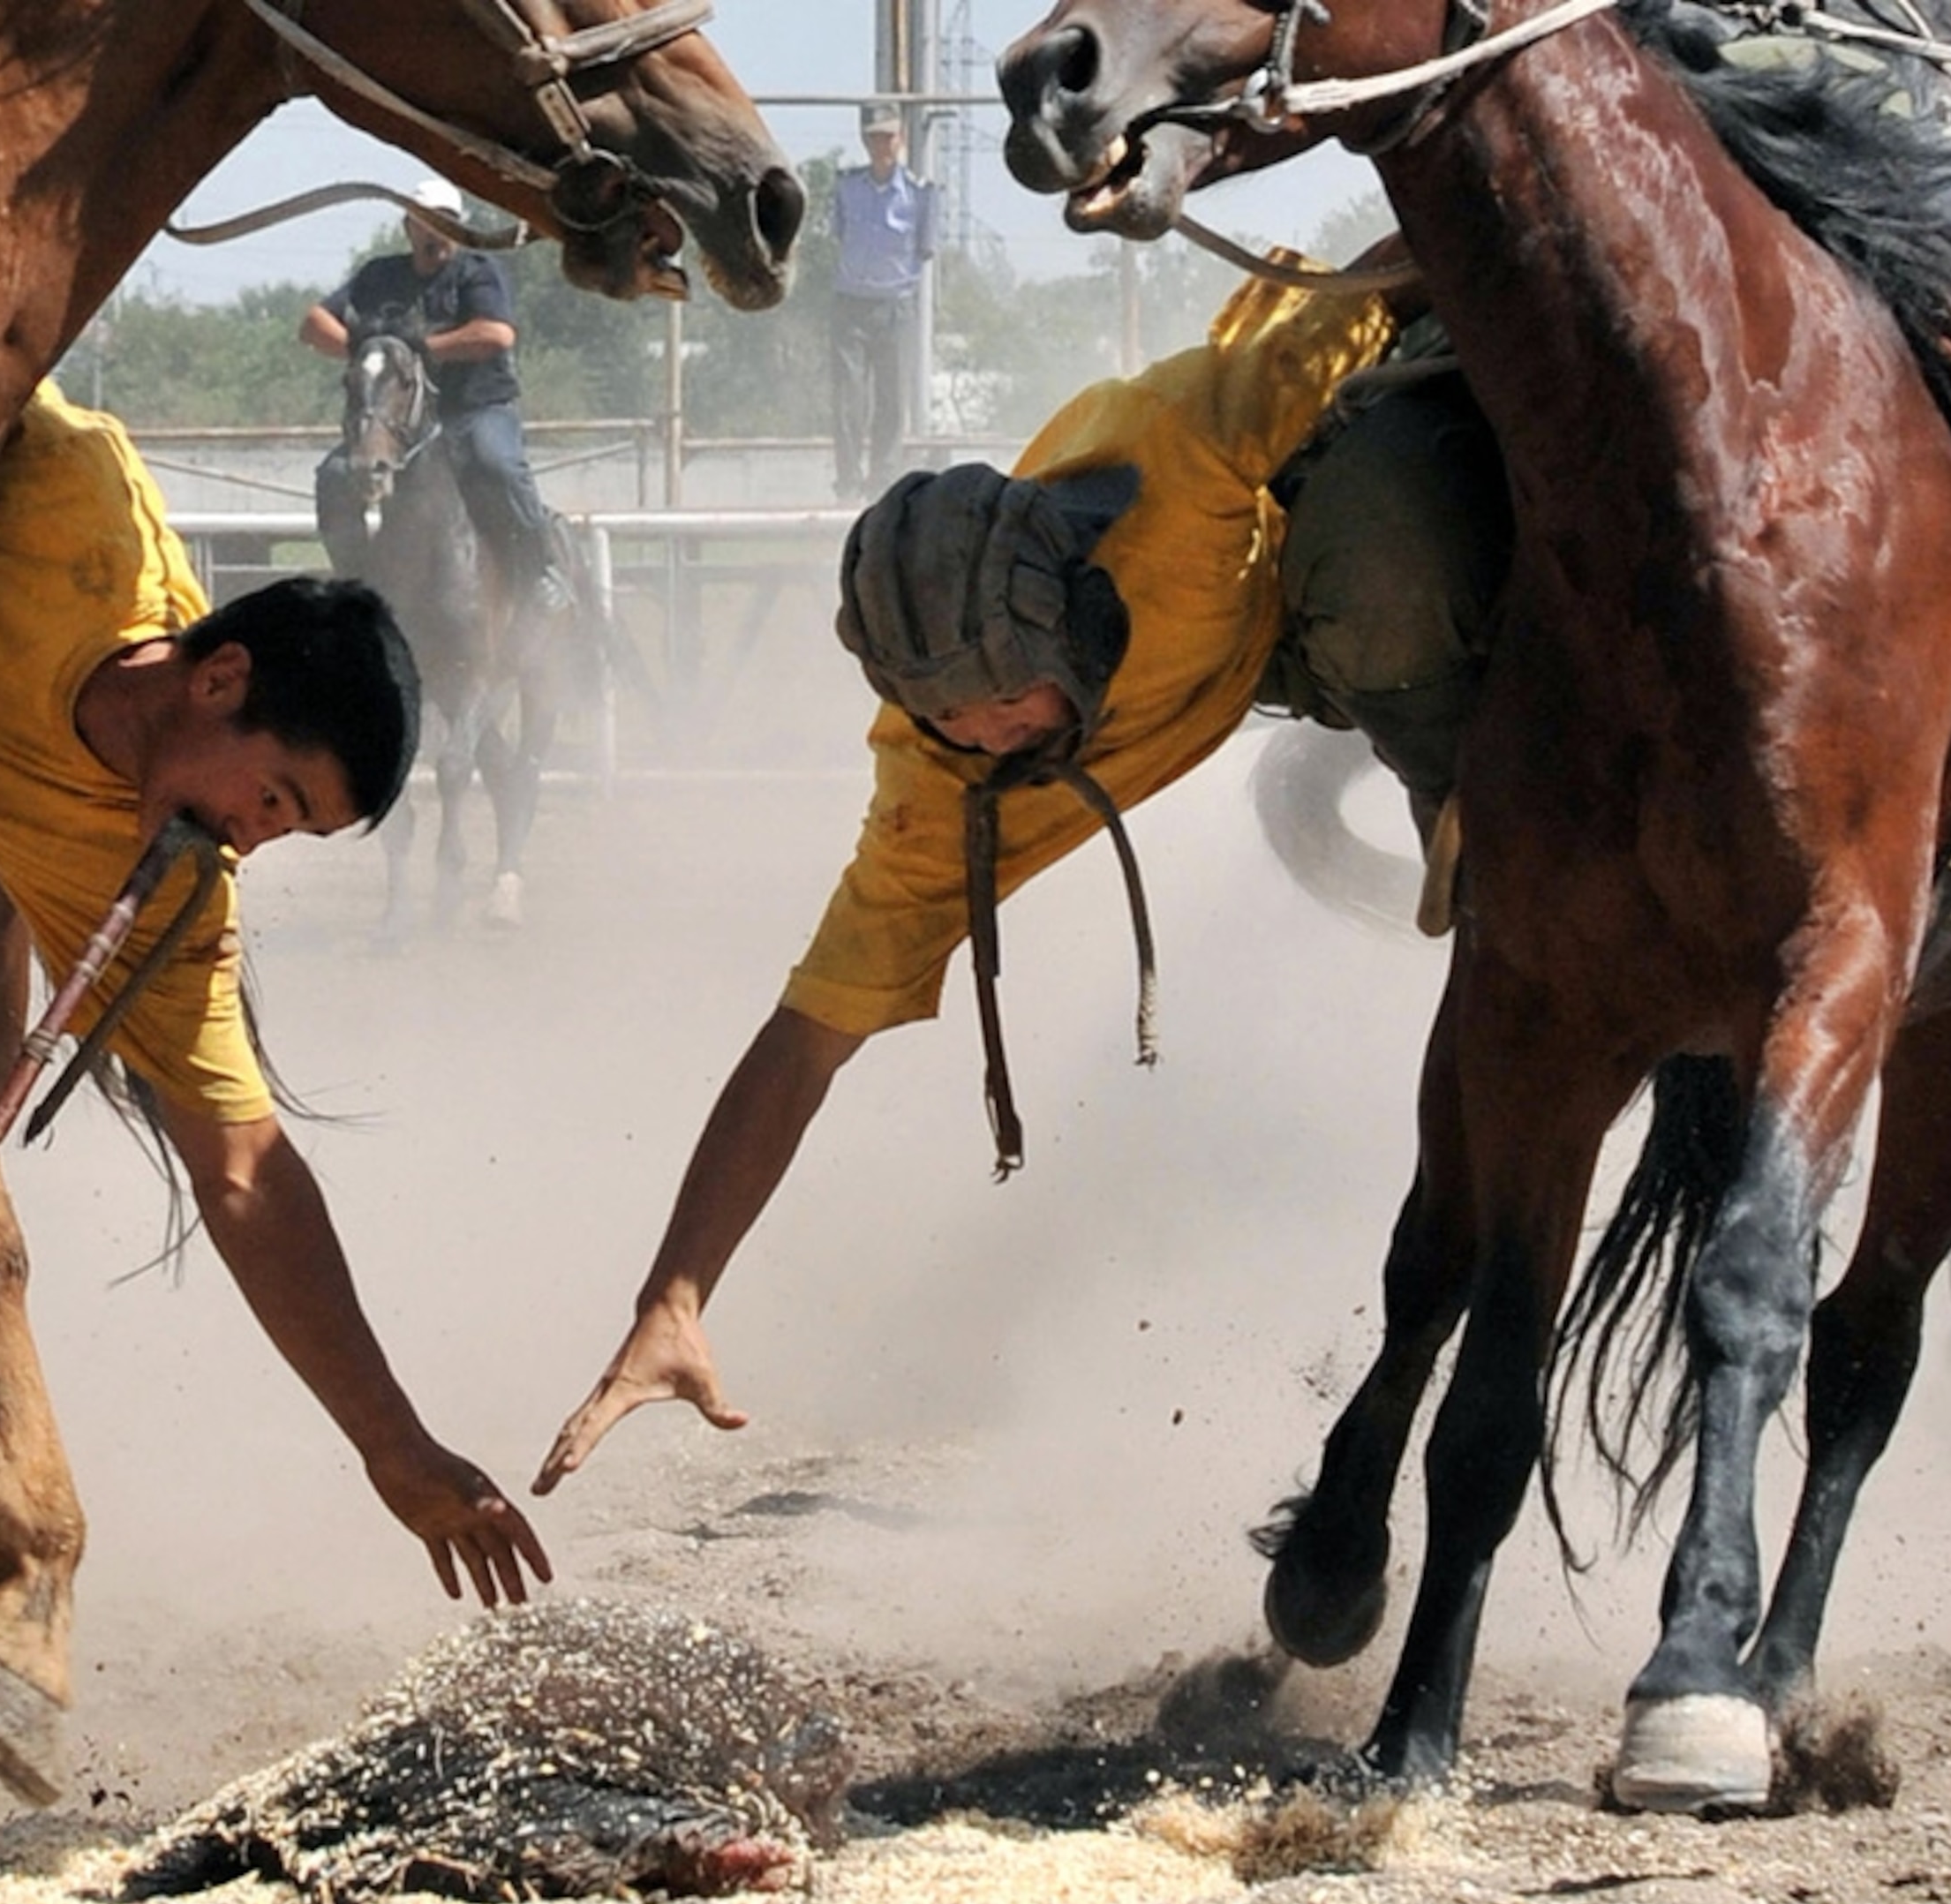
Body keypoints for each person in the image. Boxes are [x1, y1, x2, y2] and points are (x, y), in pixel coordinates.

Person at [532, 260, 1510, 1493]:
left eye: (1004, 702)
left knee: (1390, 511)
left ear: (1072, 612)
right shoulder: (939, 790)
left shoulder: (1189, 449)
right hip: (1292, 645)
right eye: (953, 719)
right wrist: (673, 1293)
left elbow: (1384, 281)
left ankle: (1483, 804)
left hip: (1314, 493)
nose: (990, 738)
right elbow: (803, 1043)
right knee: (1377, 577)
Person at [0, 380, 552, 1607]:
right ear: (217, 678)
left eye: (288, 831)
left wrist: (395, 1448)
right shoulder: (71, 491)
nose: (250, 842)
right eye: (275, 800)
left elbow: (244, 1173)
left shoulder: (173, 891)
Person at [299, 178, 567, 610]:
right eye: (425, 223)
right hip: (400, 424)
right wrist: (366, 349)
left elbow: (496, 334)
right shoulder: (379, 275)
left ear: (460, 230)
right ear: (409, 228)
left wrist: (415, 351)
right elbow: (313, 324)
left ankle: (540, 570)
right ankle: (354, 582)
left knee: (495, 461)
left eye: (445, 224)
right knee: (334, 476)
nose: (435, 232)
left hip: (476, 409)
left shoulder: (479, 272)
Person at [828, 102, 938, 499]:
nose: (881, 145)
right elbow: (839, 234)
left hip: (896, 306)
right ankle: (848, 482)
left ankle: (882, 484)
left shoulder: (921, 194)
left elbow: (925, 248)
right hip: (850, 304)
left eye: (888, 136)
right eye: (874, 137)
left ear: (901, 139)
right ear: (864, 139)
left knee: (893, 400)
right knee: (848, 400)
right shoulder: (845, 186)